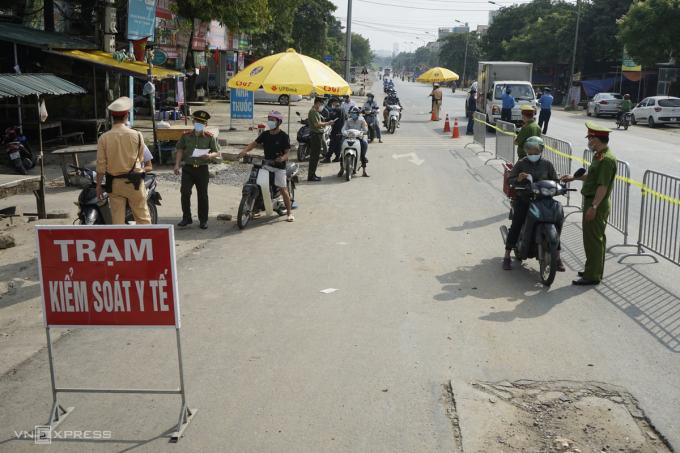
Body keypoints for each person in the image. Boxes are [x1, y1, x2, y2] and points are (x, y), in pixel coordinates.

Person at [561, 122, 617, 286]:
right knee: (593, 239)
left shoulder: (606, 160)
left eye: (590, 139)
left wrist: (594, 207)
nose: (588, 142)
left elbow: (603, 186)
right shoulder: (599, 155)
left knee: (594, 240)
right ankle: (592, 269)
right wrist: (574, 177)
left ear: (596, 139)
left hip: (596, 203)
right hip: (592, 201)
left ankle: (592, 275)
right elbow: (593, 178)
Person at [502, 136, 563, 271]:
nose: (533, 155)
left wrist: (560, 187)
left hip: (544, 200)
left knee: (557, 222)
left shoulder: (547, 164)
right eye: (530, 153)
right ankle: (507, 255)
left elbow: (555, 180)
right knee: (517, 223)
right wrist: (518, 178)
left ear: (540, 151)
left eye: (535, 152)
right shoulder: (521, 163)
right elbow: (510, 180)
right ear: (526, 151)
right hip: (525, 199)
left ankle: (557, 257)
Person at [95, 96, 151, 225]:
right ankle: (147, 242)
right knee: (143, 218)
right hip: (135, 183)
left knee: (117, 221)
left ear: (112, 117)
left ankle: (120, 244)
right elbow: (141, 158)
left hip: (114, 184)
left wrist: (98, 186)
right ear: (127, 115)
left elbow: (101, 166)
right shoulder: (137, 135)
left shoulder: (104, 138)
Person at [239, 111, 294, 222]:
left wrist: (282, 158)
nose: (270, 122)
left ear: (278, 122)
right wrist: (244, 151)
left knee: (283, 189)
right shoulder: (265, 134)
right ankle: (256, 209)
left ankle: (289, 212)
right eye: (269, 119)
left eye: (272, 120)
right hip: (266, 165)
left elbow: (287, 153)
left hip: (279, 167)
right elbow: (253, 144)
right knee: (257, 184)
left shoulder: (284, 136)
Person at [174, 110, 220, 229]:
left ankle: (203, 220)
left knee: (203, 195)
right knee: (185, 192)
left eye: (202, 123)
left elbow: (217, 152)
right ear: (193, 122)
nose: (199, 124)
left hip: (202, 169)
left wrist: (209, 156)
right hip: (188, 168)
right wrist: (177, 165)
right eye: (197, 121)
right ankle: (186, 218)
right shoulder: (186, 136)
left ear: (206, 125)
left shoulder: (210, 137)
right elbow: (179, 149)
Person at [307, 97, 336, 182]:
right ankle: (311, 176)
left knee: (315, 157)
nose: (321, 106)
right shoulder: (313, 112)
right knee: (314, 157)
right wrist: (327, 123)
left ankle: (313, 174)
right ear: (316, 103)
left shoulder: (316, 112)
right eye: (321, 104)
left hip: (317, 135)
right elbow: (317, 124)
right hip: (315, 135)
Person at [339, 106, 369, 178]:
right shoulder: (348, 120)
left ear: (358, 114)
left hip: (359, 137)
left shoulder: (362, 120)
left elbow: (365, 129)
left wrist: (361, 133)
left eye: (354, 113)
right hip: (349, 137)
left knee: (363, 148)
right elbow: (343, 129)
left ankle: (364, 171)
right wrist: (344, 132)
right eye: (352, 113)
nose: (353, 114)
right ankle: (341, 169)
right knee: (342, 152)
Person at [322, 97, 344, 163]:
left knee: (332, 144)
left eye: (332, 103)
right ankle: (337, 157)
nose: (332, 105)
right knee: (338, 144)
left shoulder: (336, 110)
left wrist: (324, 121)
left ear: (334, 103)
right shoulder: (342, 109)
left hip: (336, 129)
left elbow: (331, 118)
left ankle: (328, 158)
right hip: (341, 129)